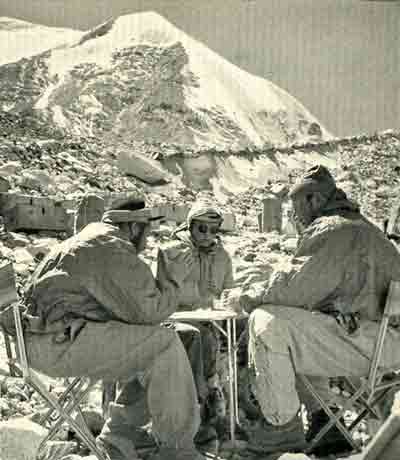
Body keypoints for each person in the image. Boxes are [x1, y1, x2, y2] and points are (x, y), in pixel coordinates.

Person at [220, 165, 400, 454]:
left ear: (314, 201)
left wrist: (245, 298)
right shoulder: (369, 229)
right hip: (387, 344)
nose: (296, 217)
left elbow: (293, 287)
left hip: (369, 345)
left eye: (296, 209)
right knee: (305, 326)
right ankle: (324, 418)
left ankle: (281, 428)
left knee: (268, 322)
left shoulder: (332, 228)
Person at [22, 196, 204, 460]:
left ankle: (119, 436)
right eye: (147, 232)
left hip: (41, 341)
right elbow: (150, 312)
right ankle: (179, 451)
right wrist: (172, 279)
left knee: (151, 346)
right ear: (133, 227)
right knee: (164, 343)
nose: (147, 239)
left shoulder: (93, 239)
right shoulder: (113, 248)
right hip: (57, 345)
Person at [157, 199, 234, 444]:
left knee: (243, 336)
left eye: (214, 230)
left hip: (212, 319)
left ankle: (240, 415)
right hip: (176, 321)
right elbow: (160, 293)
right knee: (199, 339)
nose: (208, 235)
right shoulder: (173, 252)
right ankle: (198, 416)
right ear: (190, 226)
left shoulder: (222, 257)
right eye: (202, 229)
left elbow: (229, 290)